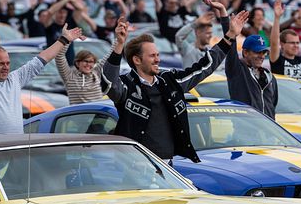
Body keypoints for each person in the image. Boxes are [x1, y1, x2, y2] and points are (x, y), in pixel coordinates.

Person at [101, 13, 246, 161]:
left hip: (168, 166)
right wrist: (119, 44)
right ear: (137, 60)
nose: (158, 59)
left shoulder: (169, 81)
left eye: (157, 55)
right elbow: (108, 83)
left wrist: (230, 35)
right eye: (152, 56)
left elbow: (204, 67)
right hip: (135, 166)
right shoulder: (126, 85)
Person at [56, 39, 111, 104]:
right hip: (80, 113)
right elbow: (59, 56)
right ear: (77, 63)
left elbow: (110, 55)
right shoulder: (69, 75)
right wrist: (68, 39)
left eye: (91, 62)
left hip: (97, 113)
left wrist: (119, 40)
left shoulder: (96, 72)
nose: (88, 64)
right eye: (85, 61)